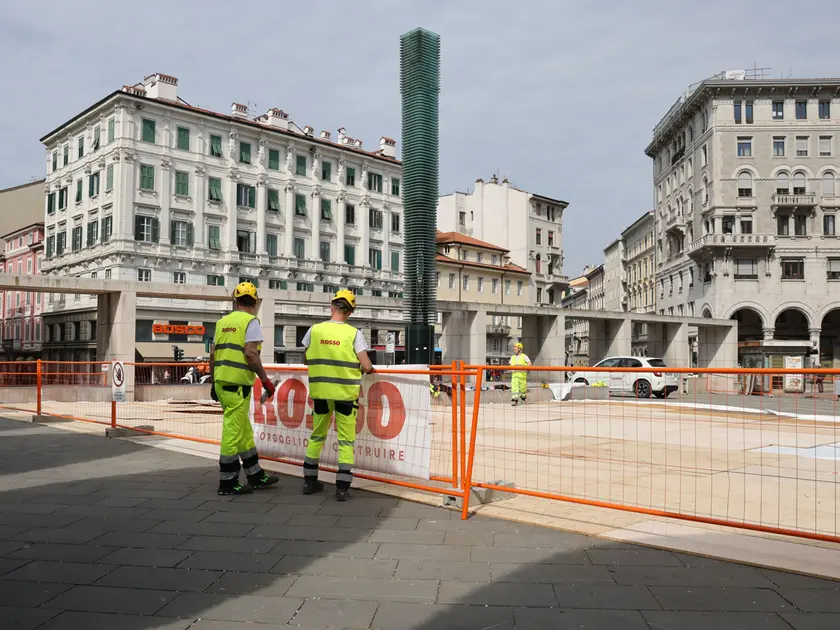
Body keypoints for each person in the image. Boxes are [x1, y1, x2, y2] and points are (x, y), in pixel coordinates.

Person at [301, 289, 374, 501]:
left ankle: (309, 482)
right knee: (345, 441)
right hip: (345, 395)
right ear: (350, 312)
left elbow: (305, 359)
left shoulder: (314, 330)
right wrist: (365, 369)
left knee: (316, 436)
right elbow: (367, 365)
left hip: (321, 393)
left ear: (331, 307)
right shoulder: (354, 334)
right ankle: (342, 487)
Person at [209, 281, 279, 496]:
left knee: (243, 431)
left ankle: (255, 474)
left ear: (235, 300)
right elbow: (251, 354)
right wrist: (266, 381)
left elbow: (213, 355)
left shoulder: (223, 322)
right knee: (232, 432)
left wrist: (213, 381)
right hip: (238, 385)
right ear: (255, 302)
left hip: (222, 383)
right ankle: (227, 481)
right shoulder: (251, 321)